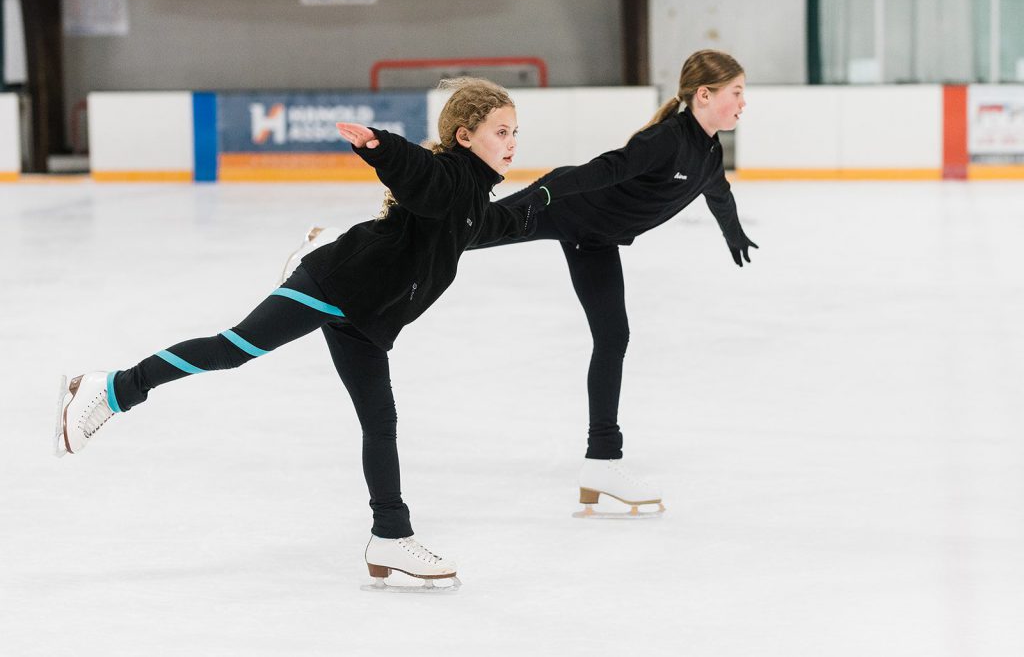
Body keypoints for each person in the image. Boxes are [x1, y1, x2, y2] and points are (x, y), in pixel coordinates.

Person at [55, 77, 548, 592]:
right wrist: (381, 146)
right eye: (501, 131)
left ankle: (390, 535)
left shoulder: (472, 205)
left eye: (515, 132)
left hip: (364, 314)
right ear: (466, 137)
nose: (512, 143)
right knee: (234, 349)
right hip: (335, 285)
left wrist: (567, 192)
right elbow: (417, 171)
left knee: (381, 422)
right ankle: (112, 389)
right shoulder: (449, 179)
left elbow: (506, 221)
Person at [283, 49, 756, 519]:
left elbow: (718, 191)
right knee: (456, 234)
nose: (742, 103)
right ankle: (333, 244)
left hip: (597, 238)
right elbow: (607, 167)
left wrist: (733, 234)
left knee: (614, 335)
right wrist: (546, 193)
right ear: (704, 95)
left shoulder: (708, 151)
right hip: (565, 207)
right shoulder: (667, 140)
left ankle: (602, 462)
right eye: (735, 92)